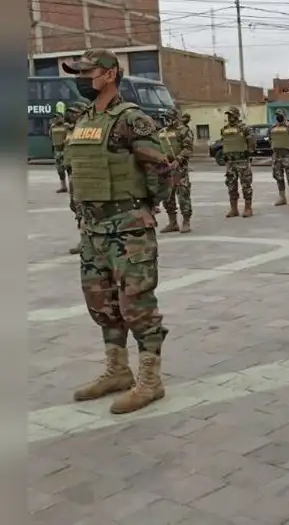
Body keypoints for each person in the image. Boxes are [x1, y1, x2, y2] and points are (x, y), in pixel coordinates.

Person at [61, 49, 175, 414]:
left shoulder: (132, 119)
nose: (81, 78)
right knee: (102, 304)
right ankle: (117, 369)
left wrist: (145, 206)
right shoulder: (84, 120)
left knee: (136, 305)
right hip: (92, 231)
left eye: (87, 72)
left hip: (127, 230)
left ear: (109, 74)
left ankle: (151, 380)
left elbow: (161, 169)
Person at [157, 108, 194, 233]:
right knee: (167, 196)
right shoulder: (161, 132)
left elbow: (188, 148)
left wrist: (177, 160)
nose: (166, 120)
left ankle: (186, 221)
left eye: (168, 117)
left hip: (179, 168)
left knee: (183, 194)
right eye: (164, 118)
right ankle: (172, 222)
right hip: (165, 169)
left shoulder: (183, 131)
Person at [219, 106, 255, 218]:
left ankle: (248, 208)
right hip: (230, 162)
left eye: (231, 114)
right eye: (228, 115)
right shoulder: (224, 129)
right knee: (231, 186)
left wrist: (248, 152)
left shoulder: (245, 128)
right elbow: (224, 143)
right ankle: (234, 209)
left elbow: (252, 142)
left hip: (242, 161)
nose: (230, 117)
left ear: (237, 115)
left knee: (246, 185)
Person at [63, 101, 89, 255]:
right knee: (75, 205)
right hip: (72, 172)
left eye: (75, 112)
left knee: (83, 207)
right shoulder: (71, 130)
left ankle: (85, 240)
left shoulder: (87, 129)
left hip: (83, 173)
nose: (72, 115)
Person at [270, 108, 289, 206]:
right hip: (276, 155)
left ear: (285, 115)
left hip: (287, 155)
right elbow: (270, 139)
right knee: (278, 177)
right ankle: (282, 197)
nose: (278, 116)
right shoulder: (273, 127)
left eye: (280, 114)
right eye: (277, 114)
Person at [49, 111, 72, 193]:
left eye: (58, 117)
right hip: (57, 151)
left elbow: (70, 135)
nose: (56, 119)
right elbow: (50, 137)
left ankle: (72, 187)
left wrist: (67, 140)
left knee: (69, 169)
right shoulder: (52, 127)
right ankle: (63, 187)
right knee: (60, 170)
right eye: (55, 117)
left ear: (62, 118)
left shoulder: (67, 126)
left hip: (66, 151)